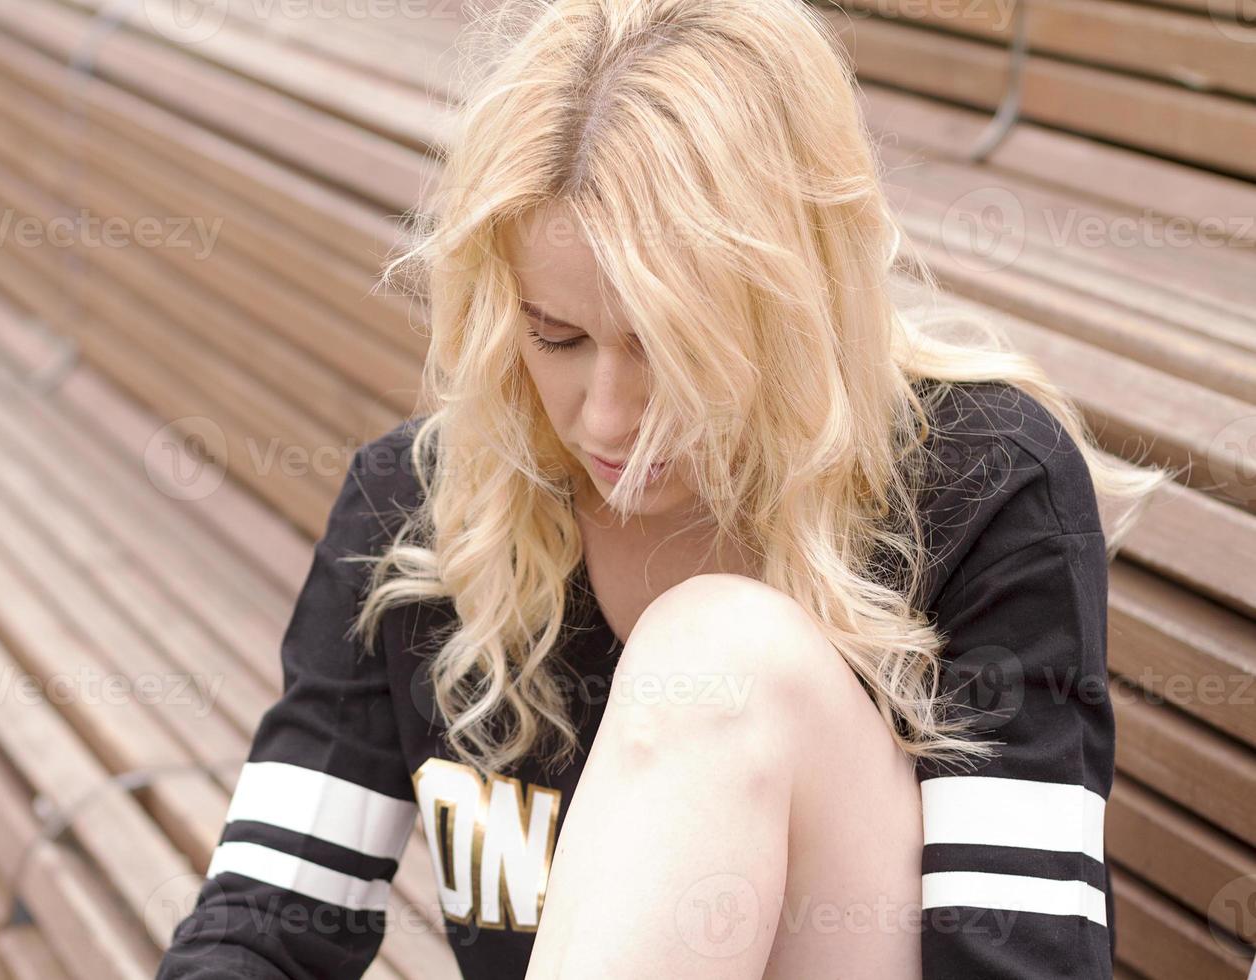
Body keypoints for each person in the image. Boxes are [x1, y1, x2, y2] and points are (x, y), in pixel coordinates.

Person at [157, 0, 1174, 977]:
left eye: (669, 350)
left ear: (791, 305)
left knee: (723, 653)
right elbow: (265, 924)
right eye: (556, 335)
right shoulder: (427, 504)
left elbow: (1021, 960)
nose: (605, 415)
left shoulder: (979, 483)